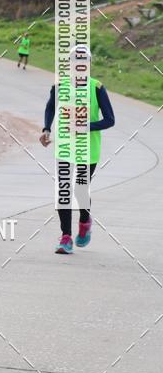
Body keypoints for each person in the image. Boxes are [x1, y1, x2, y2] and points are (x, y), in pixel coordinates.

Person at [39, 45, 115, 254]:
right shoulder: (60, 86)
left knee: (80, 190)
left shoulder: (97, 87)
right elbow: (50, 107)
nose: (79, 65)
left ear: (89, 65)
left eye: (84, 62)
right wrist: (47, 129)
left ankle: (84, 221)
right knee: (64, 191)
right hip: (64, 146)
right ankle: (65, 237)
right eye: (75, 61)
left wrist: (85, 127)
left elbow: (110, 120)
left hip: (88, 148)